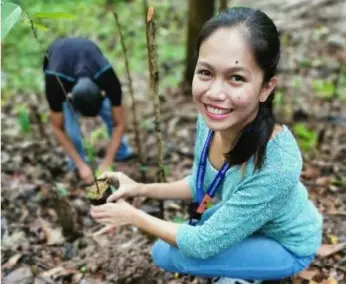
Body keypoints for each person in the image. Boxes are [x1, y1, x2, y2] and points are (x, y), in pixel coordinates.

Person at [90, 7, 323, 283]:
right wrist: (140, 188)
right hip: (250, 223)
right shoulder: (212, 121)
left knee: (169, 253)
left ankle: (254, 273)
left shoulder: (278, 162)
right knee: (190, 230)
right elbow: (200, 184)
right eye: (206, 73)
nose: (214, 94)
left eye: (236, 77)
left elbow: (200, 244)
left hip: (286, 244)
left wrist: (133, 216)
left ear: (266, 88)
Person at [43, 37, 132, 184]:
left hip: (91, 65)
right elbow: (57, 127)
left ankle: (121, 152)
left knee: (112, 117)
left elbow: (120, 123)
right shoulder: (55, 83)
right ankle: (77, 164)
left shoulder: (108, 78)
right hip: (60, 68)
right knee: (72, 131)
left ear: (103, 93)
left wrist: (107, 162)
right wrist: (81, 165)